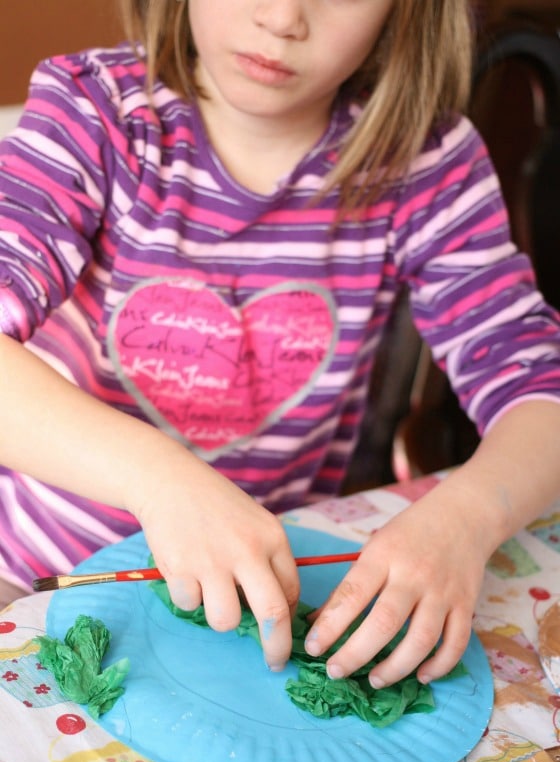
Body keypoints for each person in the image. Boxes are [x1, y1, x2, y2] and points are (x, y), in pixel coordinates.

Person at [0, 0, 559, 693]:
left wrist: (465, 521)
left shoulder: (426, 161)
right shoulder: (94, 111)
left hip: (245, 610)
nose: (283, 18)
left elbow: (542, 394)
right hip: (32, 578)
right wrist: (161, 480)